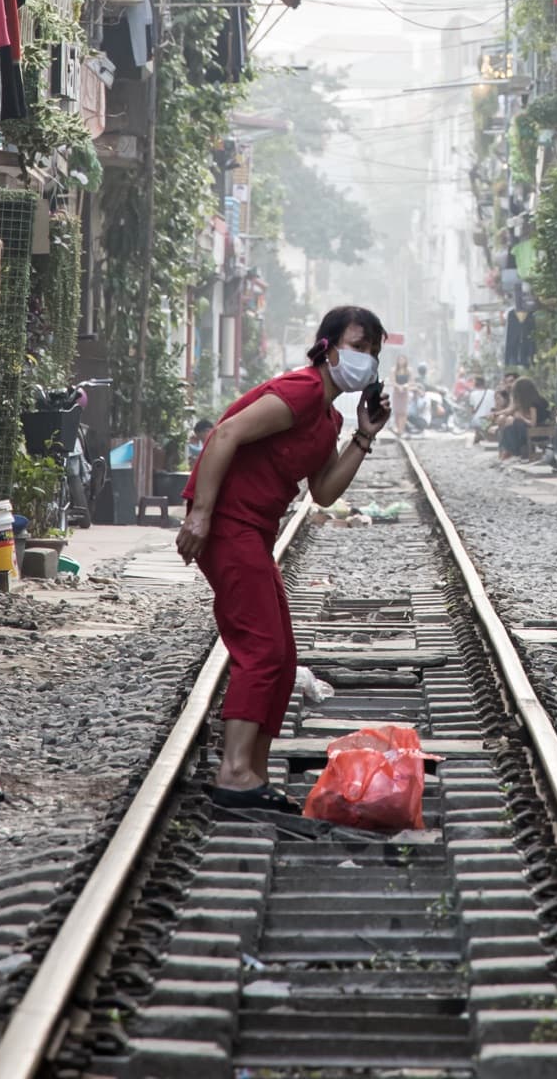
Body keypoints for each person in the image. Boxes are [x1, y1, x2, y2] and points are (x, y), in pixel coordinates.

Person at [176, 305, 391, 809]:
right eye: (358, 347)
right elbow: (224, 434)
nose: (366, 360)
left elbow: (324, 493)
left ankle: (253, 772)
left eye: (373, 353)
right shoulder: (302, 391)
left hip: (254, 530)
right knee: (261, 648)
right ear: (329, 346)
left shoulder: (328, 415)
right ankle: (233, 773)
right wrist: (200, 515)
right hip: (230, 524)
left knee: (282, 652)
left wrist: (363, 436)